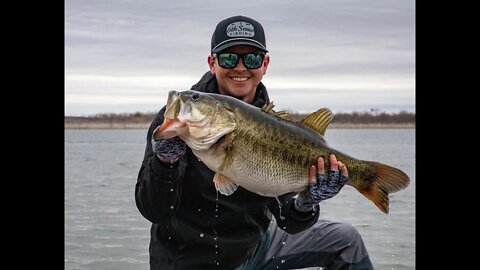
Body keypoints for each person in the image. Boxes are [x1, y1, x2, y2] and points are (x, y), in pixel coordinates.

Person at [135, 15, 374, 270]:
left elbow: (288, 221)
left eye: (251, 58)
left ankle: (368, 179)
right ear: (212, 63)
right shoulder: (176, 121)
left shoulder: (275, 127)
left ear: (265, 64)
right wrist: (165, 162)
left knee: (346, 240)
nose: (240, 68)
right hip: (188, 260)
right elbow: (153, 210)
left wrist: (306, 202)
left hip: (255, 246)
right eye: (228, 58)